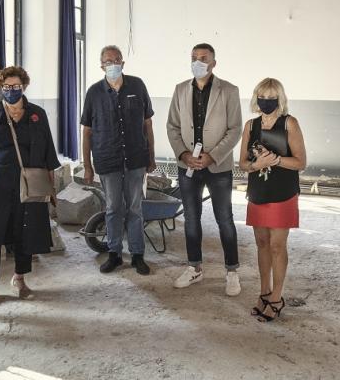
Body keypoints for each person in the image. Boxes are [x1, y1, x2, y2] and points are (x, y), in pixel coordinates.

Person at [0, 66, 60, 307]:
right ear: (1, 88)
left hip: (30, 184)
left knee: (26, 230)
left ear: (24, 87)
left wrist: (51, 189)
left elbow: (48, 153)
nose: (12, 91)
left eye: (16, 86)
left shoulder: (37, 114)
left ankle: (19, 279)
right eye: (7, 87)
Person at [167, 43, 242, 296]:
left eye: (203, 58)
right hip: (188, 164)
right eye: (193, 58)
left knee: (224, 219)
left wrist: (213, 156)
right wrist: (184, 154)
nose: (198, 62)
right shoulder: (180, 90)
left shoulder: (229, 90)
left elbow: (235, 130)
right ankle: (194, 267)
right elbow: (172, 127)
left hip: (217, 166)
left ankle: (231, 271)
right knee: (190, 218)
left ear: (213, 63)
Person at [81, 45, 155, 275]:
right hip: (107, 159)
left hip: (135, 159)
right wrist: (87, 166)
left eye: (116, 60)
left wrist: (150, 156)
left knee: (135, 208)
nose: (112, 64)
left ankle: (137, 255)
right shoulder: (94, 92)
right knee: (113, 208)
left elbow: (147, 125)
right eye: (107, 61)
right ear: (101, 65)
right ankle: (114, 253)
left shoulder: (137, 85)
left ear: (123, 63)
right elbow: (87, 132)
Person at [238, 78, 307, 322]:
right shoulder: (250, 125)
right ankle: (264, 291)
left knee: (278, 245)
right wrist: (257, 164)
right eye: (262, 97)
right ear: (256, 98)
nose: (266, 102)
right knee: (262, 243)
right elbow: (243, 164)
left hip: (283, 192)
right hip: (258, 192)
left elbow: (300, 162)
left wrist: (276, 160)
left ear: (280, 99)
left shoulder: (290, 123)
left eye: (271, 98)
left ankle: (277, 297)